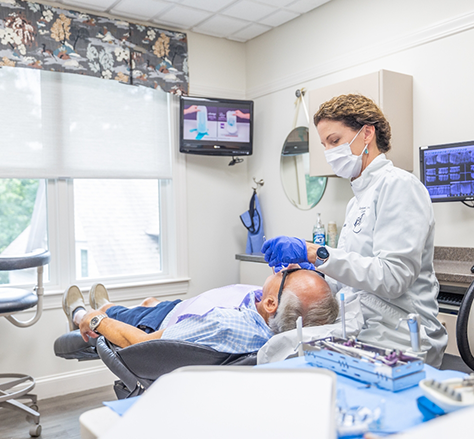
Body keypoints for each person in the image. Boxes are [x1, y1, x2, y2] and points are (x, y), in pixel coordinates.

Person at [262, 94, 448, 367]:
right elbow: (353, 277)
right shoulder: (356, 201)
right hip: (367, 326)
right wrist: (310, 271)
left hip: (402, 336)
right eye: (325, 144)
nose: (329, 152)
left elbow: (393, 277)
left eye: (334, 141)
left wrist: (316, 252)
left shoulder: (399, 186)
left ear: (367, 134)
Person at [62, 266, 339, 353]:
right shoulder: (270, 320)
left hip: (160, 323)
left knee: (121, 314)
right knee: (149, 301)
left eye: (287, 274)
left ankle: (77, 312)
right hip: (180, 309)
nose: (283, 268)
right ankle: (110, 304)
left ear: (271, 304)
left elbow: (141, 342)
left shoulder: (224, 324)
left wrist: (95, 320)